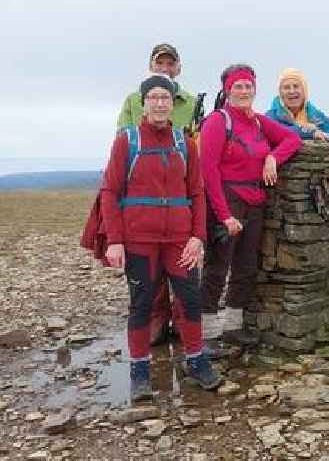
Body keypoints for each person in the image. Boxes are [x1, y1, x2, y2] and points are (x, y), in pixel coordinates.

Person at [101, 75, 221, 400]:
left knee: (190, 299)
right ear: (144, 102)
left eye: (164, 98)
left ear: (172, 103)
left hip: (180, 240)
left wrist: (198, 236)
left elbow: (197, 191)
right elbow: (110, 191)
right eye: (152, 97)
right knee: (141, 305)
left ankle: (196, 361)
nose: (159, 103)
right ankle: (139, 371)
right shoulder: (127, 141)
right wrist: (114, 240)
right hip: (139, 240)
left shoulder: (184, 142)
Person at [200, 64, 303, 349]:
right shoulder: (217, 122)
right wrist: (224, 216)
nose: (244, 91)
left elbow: (292, 139)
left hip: (255, 201)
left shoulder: (258, 121)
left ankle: (233, 327)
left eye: (248, 86)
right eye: (238, 87)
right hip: (227, 202)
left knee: (246, 267)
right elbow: (208, 171)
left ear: (255, 90)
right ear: (227, 91)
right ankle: (206, 334)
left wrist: (273, 158)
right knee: (216, 269)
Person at [116, 43, 197, 346]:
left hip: (179, 187)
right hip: (144, 189)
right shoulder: (133, 100)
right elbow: (122, 139)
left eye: (170, 63)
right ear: (151, 66)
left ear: (178, 68)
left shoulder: (190, 102)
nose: (164, 68)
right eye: (158, 63)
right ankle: (156, 321)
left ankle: (182, 323)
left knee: (183, 265)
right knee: (149, 268)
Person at [266, 68, 329, 141]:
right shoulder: (271, 117)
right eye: (286, 88)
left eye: (296, 86)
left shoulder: (316, 116)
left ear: (304, 90)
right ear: (280, 93)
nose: (292, 91)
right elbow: (279, 131)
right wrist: (308, 132)